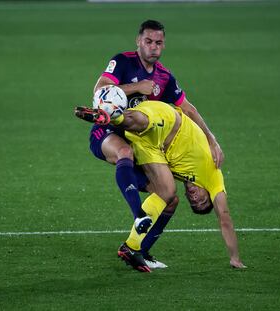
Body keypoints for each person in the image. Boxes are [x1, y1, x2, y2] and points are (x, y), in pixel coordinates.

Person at [88, 20, 224, 253]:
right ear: (138, 41)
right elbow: (99, 91)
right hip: (108, 131)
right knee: (124, 151)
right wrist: (136, 87)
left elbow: (189, 109)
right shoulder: (123, 61)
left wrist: (212, 139)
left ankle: (138, 252)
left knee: (169, 197)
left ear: (163, 45)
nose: (153, 47)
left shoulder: (164, 77)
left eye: (158, 43)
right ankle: (138, 214)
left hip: (141, 142)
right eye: (148, 41)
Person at [75, 92, 246, 273]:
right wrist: (235, 257)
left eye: (193, 202)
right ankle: (114, 116)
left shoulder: (183, 174)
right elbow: (224, 218)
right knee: (147, 123)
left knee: (168, 193)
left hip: (154, 148)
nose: (195, 198)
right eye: (202, 200)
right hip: (172, 122)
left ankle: (132, 247)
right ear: (209, 194)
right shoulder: (214, 177)